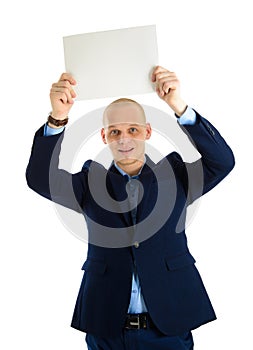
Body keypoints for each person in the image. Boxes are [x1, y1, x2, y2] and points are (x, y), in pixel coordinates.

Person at [26, 66, 235, 350]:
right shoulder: (90, 183)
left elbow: (222, 161)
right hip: (107, 330)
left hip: (168, 329)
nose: (124, 139)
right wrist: (58, 118)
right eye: (115, 132)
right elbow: (40, 179)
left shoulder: (175, 177)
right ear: (104, 137)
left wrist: (178, 106)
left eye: (133, 130)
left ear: (147, 131)